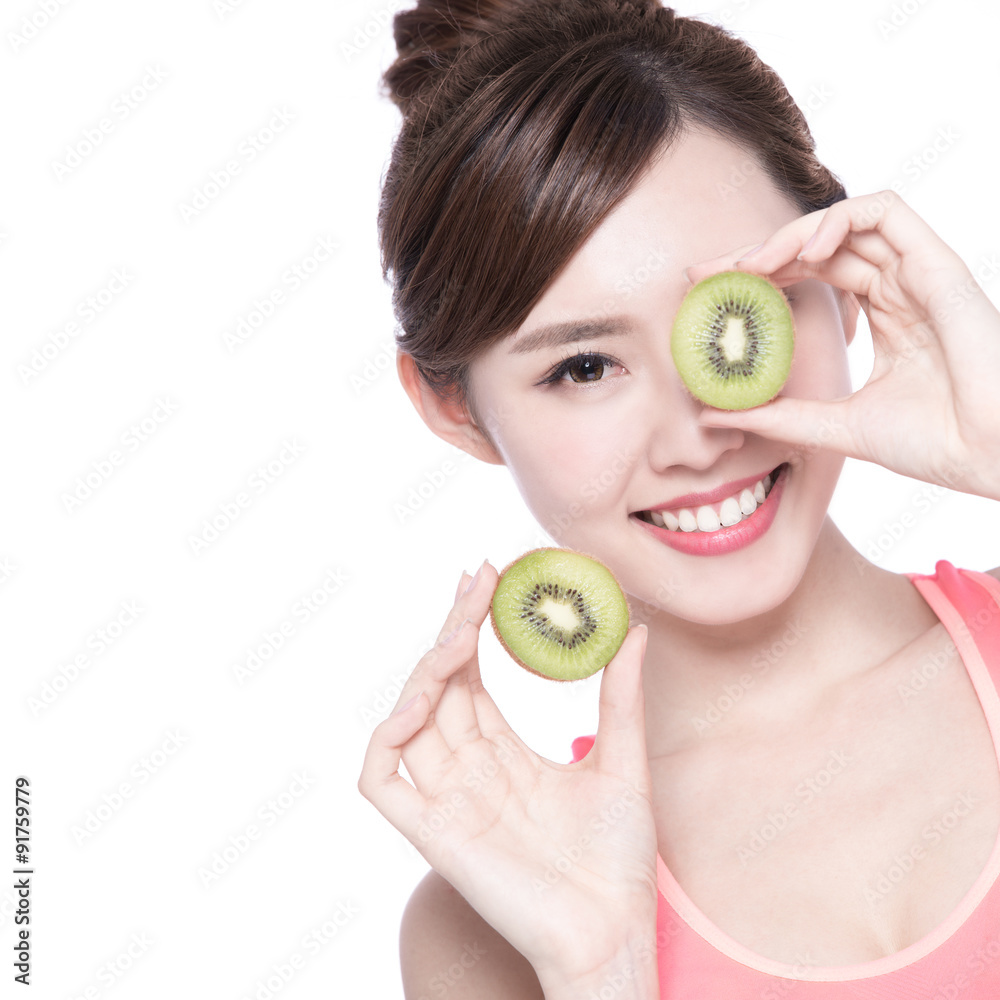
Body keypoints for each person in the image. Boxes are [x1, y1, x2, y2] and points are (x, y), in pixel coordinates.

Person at [357, 1, 1000, 996]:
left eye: (735, 313)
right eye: (581, 367)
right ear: (452, 408)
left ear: (841, 273)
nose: (701, 430)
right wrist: (599, 969)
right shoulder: (494, 920)